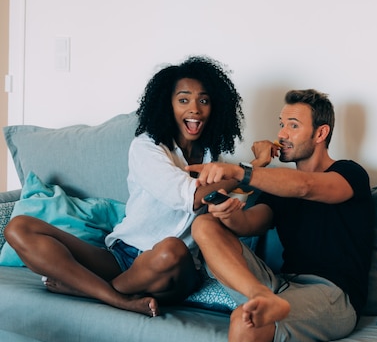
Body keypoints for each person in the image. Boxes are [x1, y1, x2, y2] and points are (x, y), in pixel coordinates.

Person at [3, 55, 244, 317]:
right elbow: (189, 196)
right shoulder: (146, 147)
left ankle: (87, 291)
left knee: (172, 249)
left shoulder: (214, 160)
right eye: (183, 100)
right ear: (167, 105)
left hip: (173, 271)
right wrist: (242, 173)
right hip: (123, 256)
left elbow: (227, 207)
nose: (195, 108)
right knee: (19, 227)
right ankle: (118, 299)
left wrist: (243, 175)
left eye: (204, 100)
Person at [188, 89, 375, 342]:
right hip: (279, 286)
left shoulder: (350, 174)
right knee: (205, 226)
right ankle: (260, 295)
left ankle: (262, 301)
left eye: (293, 125)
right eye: (281, 124)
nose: (281, 133)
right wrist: (225, 212)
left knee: (246, 323)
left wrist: (241, 171)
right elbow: (247, 224)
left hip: (333, 296)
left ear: (321, 133)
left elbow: (305, 186)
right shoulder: (279, 189)